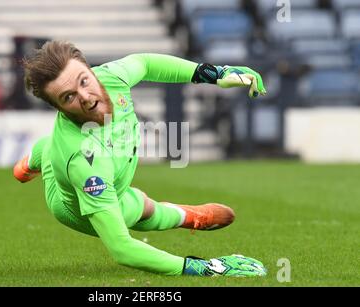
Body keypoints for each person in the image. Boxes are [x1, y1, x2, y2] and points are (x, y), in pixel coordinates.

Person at [14, 40, 267, 277]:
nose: (86, 96)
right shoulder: (86, 164)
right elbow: (122, 249)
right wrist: (206, 268)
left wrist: (215, 74)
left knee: (51, 148)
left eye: (84, 81)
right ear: (59, 110)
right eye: (68, 97)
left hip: (67, 153)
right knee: (141, 208)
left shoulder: (110, 77)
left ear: (91, 71)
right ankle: (186, 217)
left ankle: (28, 163)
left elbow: (145, 62)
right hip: (73, 205)